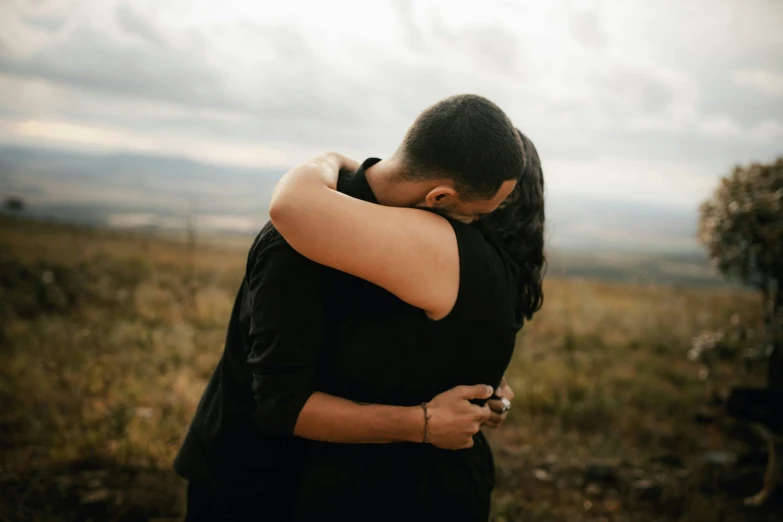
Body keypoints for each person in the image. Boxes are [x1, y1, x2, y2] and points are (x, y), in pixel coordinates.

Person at [174, 94, 533, 521]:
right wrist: (423, 423)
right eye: (476, 216)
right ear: (437, 197)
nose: (474, 230)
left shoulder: (400, 245)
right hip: (252, 484)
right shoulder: (297, 245)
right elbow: (280, 404)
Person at [269, 124, 545, 520]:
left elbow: (293, 205)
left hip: (391, 489)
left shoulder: (448, 250)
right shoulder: (501, 270)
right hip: (455, 482)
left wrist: (332, 160)